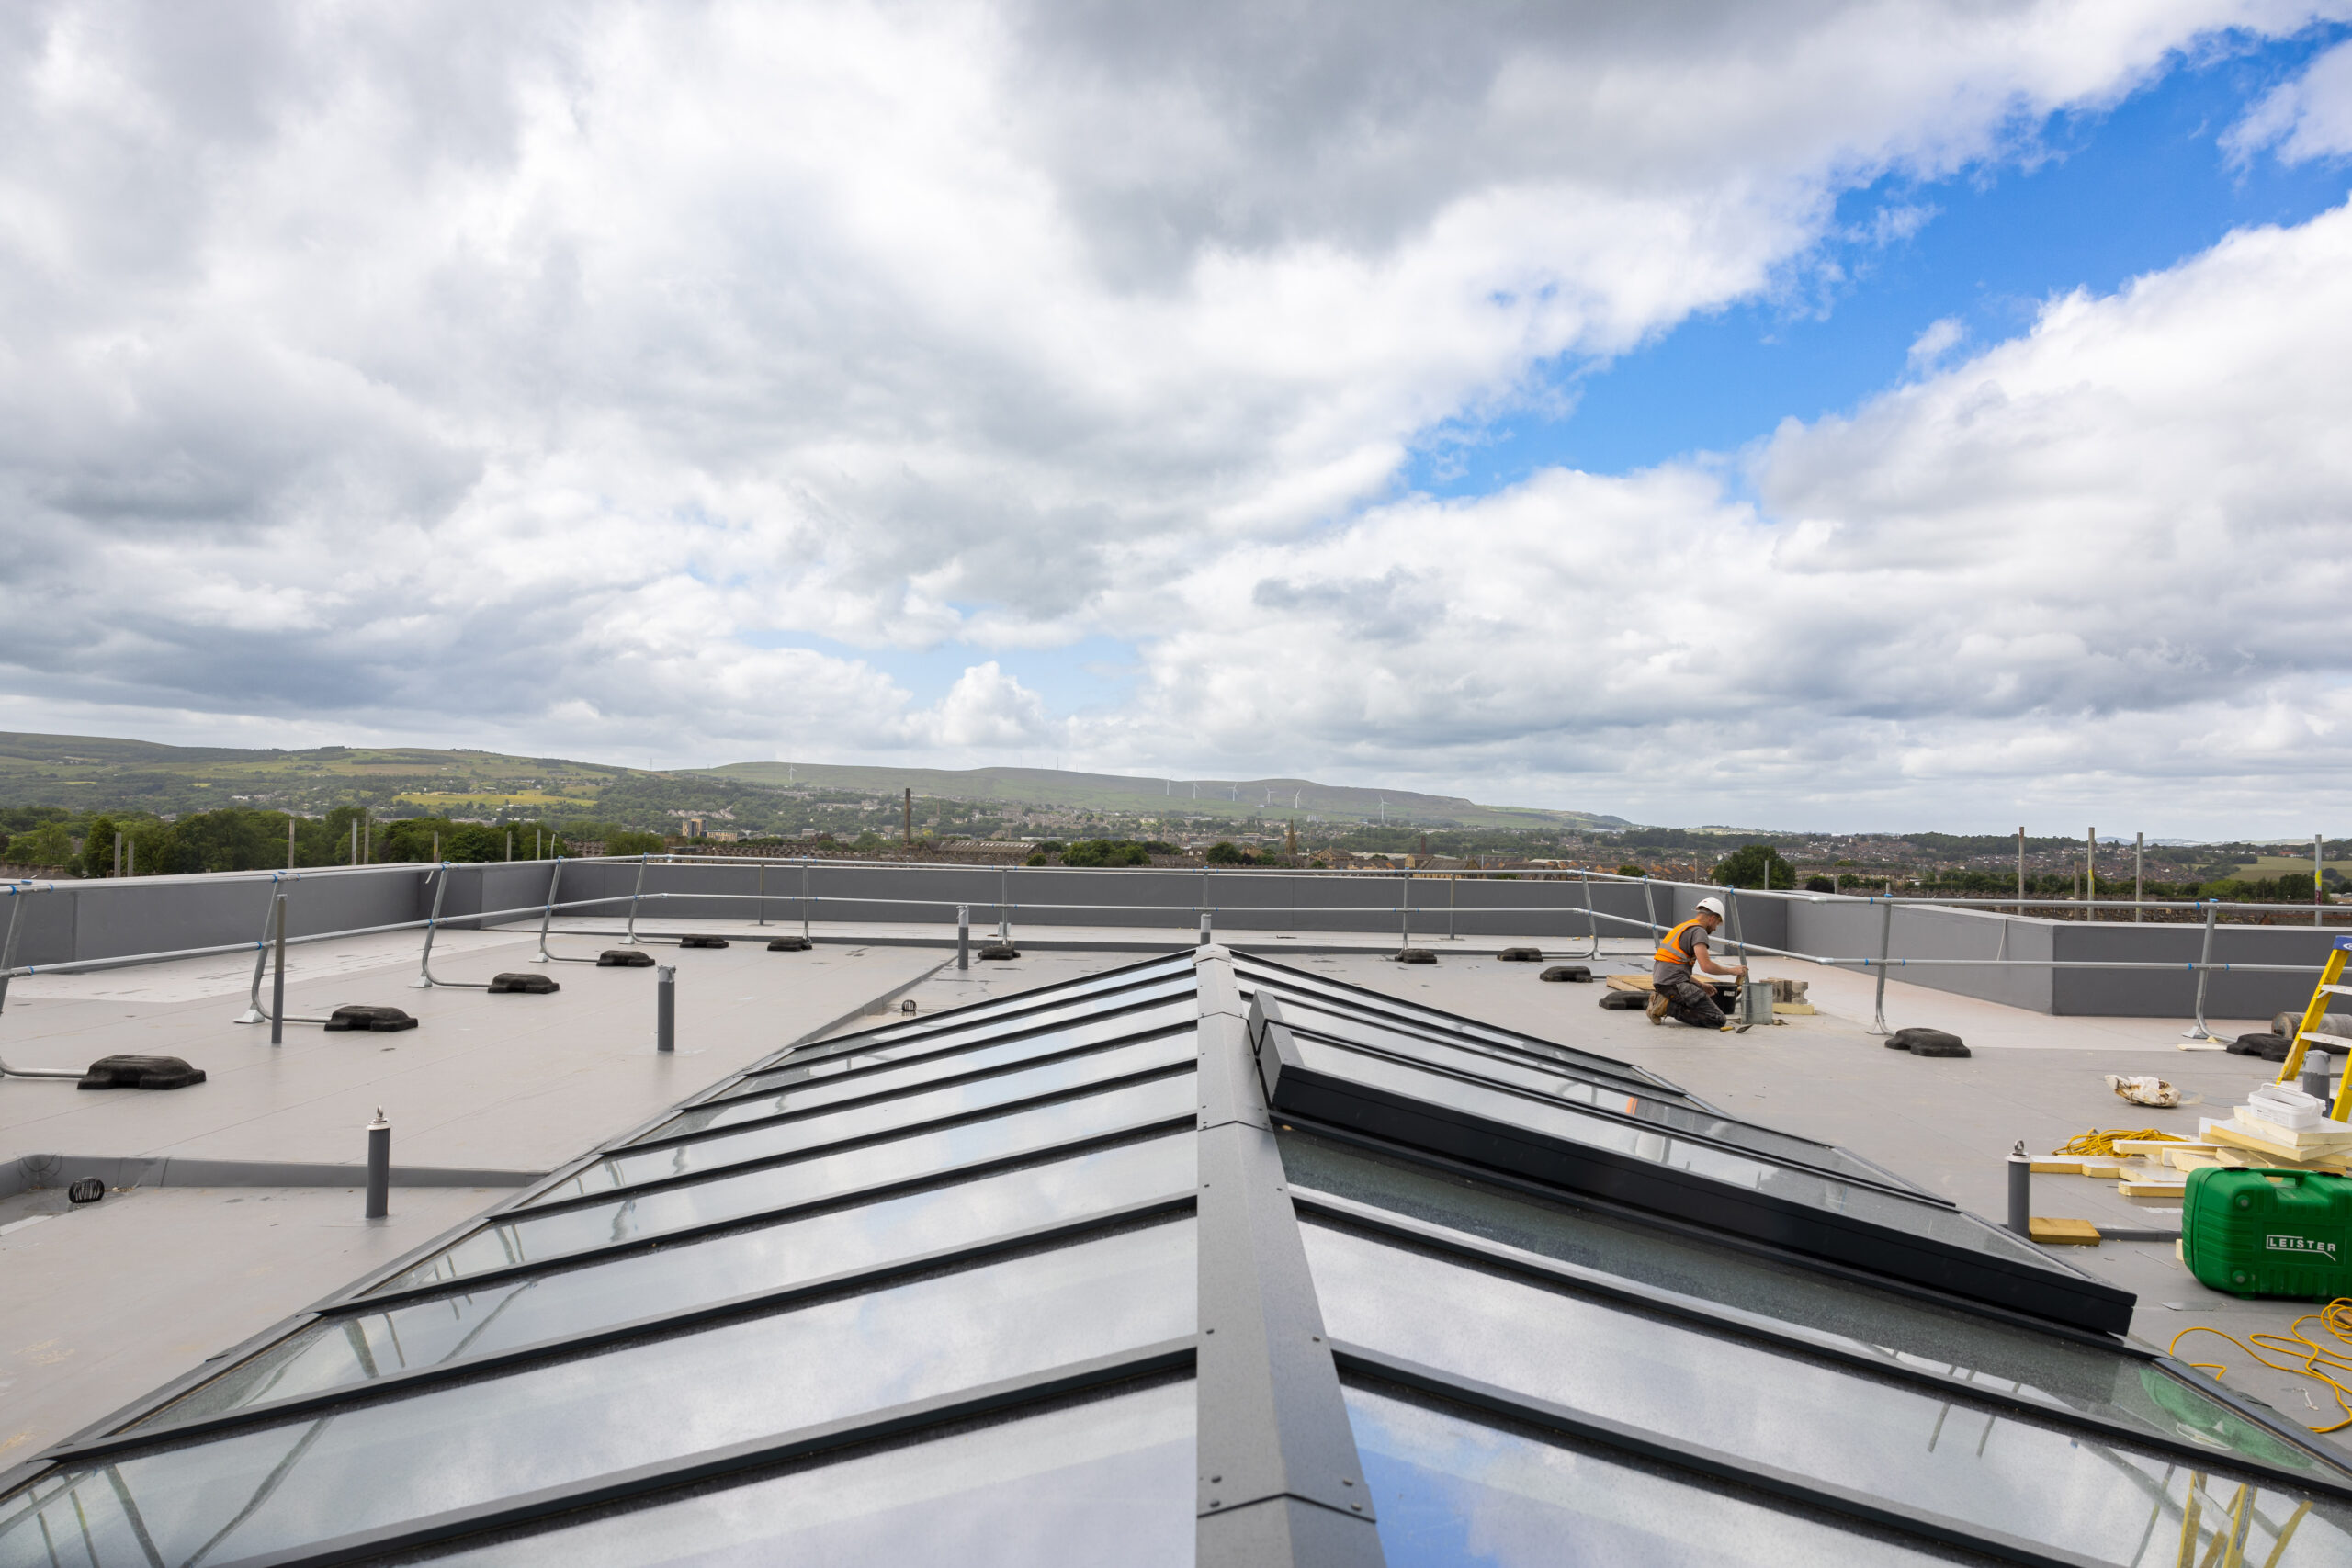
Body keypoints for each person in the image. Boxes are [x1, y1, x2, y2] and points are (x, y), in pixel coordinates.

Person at [1647, 897, 1750, 1032]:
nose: (1714, 928)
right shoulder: (1699, 931)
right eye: (1717, 924)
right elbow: (1706, 966)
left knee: (1699, 1006)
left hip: (1664, 982)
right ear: (1712, 918)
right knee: (1717, 1019)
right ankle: (1667, 1006)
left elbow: (1675, 968)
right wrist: (1732, 971)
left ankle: (1665, 1001)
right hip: (1674, 984)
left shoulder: (1682, 927)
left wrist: (1700, 985)